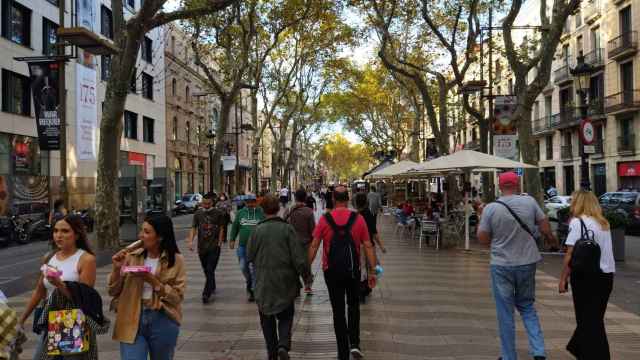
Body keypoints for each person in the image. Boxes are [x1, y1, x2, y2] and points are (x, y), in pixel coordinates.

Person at [477, 172, 556, 360]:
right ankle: (538, 351)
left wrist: (494, 234)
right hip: (527, 262)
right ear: (518, 184)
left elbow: (482, 239)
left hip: (501, 264)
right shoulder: (529, 202)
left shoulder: (491, 208)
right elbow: (545, 228)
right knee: (527, 306)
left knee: (505, 312)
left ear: (499, 186)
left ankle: (508, 356)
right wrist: (552, 241)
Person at [308, 185, 377, 360]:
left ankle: (343, 352)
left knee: (338, 311)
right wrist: (373, 272)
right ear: (348, 200)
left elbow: (314, 245)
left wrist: (305, 269)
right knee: (353, 306)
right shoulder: (358, 219)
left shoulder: (324, 220)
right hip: (353, 270)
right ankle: (354, 343)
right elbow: (368, 246)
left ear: (333, 199)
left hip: (331, 271)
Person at [20, 215, 98, 360]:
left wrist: (59, 284)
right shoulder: (49, 257)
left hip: (72, 320)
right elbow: (39, 291)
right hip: (51, 319)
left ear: (77, 234)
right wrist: (22, 319)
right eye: (55, 231)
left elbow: (83, 299)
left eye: (65, 231)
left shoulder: (86, 260)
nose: (59, 235)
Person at [109, 214, 186, 360]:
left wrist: (152, 280)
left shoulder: (176, 260)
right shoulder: (131, 256)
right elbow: (113, 291)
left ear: (160, 237)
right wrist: (116, 269)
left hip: (162, 318)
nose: (141, 236)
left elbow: (177, 298)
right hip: (130, 317)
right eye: (141, 231)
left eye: (146, 232)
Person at [248, 195, 312, 360]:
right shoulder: (287, 229)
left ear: (262, 209)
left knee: (266, 320)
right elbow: (298, 258)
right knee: (286, 315)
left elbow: (249, 255)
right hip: (285, 281)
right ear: (278, 209)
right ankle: (283, 345)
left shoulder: (257, 230)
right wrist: (306, 277)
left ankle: (272, 353)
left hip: (264, 281)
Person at [558, 190, 615, 360]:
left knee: (586, 320)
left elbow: (570, 254)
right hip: (606, 276)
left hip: (584, 277)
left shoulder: (577, 222)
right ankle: (585, 352)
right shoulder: (604, 223)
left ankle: (587, 353)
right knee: (595, 319)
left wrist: (563, 279)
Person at [187, 192, 226, 303]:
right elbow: (194, 228)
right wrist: (190, 241)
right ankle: (212, 285)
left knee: (210, 269)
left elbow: (222, 228)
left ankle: (206, 294)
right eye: (204, 203)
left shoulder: (219, 213)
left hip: (214, 247)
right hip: (202, 247)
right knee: (206, 270)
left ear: (212, 202)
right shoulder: (198, 213)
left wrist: (219, 243)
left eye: (208, 203)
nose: (206, 205)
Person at [230, 194, 265, 302]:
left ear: (256, 202)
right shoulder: (240, 213)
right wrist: (232, 239)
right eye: (248, 202)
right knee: (243, 266)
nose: (250, 204)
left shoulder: (261, 213)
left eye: (252, 202)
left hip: (257, 246)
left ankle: (253, 291)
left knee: (255, 269)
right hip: (243, 246)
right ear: (245, 203)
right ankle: (249, 282)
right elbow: (235, 226)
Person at [353, 193, 386, 304]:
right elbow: (374, 232)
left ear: (356, 203)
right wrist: (381, 246)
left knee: (362, 269)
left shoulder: (356, 216)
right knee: (372, 268)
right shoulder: (370, 214)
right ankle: (368, 288)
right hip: (370, 246)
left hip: (360, 247)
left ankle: (362, 291)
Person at [284, 189, 316, 295]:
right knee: (306, 265)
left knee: (293, 265)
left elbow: (283, 224)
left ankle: (296, 286)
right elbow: (313, 230)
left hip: (291, 243)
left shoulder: (288, 210)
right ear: (305, 198)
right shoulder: (309, 211)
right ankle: (307, 286)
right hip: (305, 243)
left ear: (295, 198)